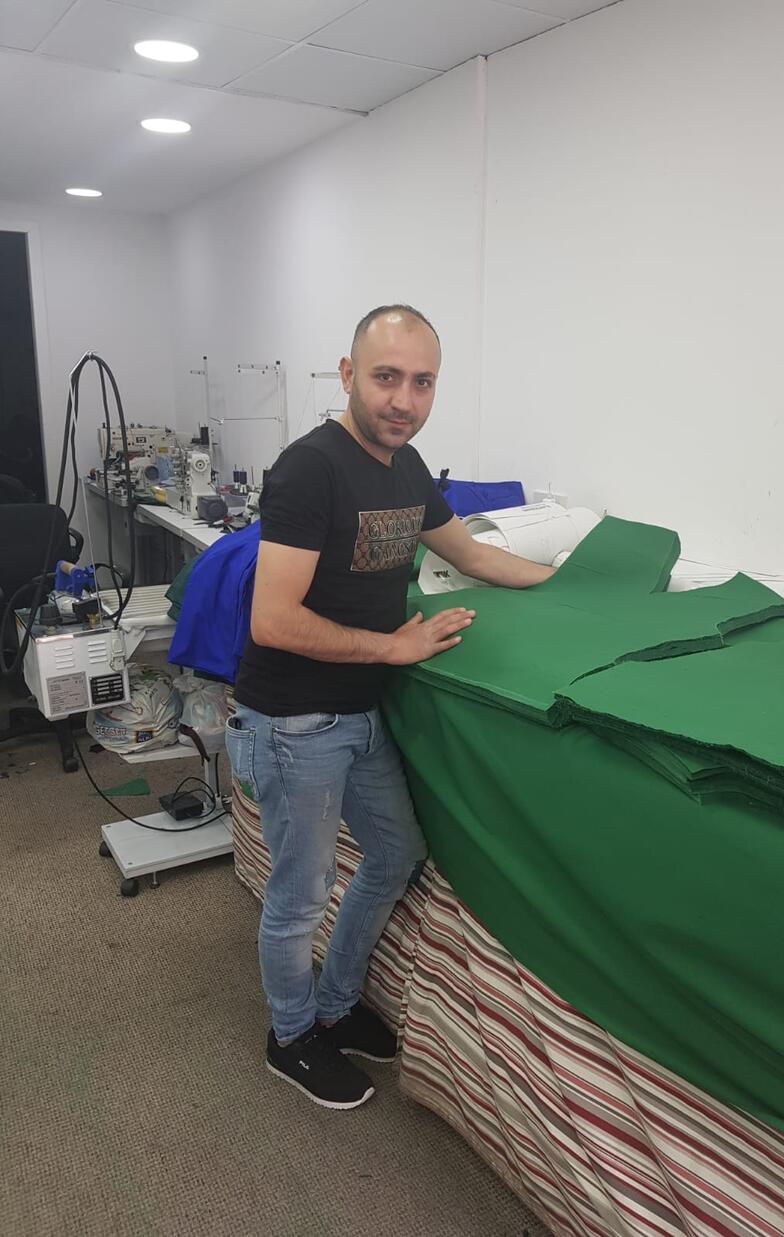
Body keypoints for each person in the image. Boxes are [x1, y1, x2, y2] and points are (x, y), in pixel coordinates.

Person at [228, 305, 555, 1110]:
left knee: (395, 852)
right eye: (386, 377)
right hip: (294, 721)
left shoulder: (407, 469)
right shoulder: (309, 469)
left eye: (422, 381)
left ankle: (335, 1006)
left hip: (357, 712)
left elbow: (473, 554)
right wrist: (392, 648)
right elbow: (273, 618)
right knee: (299, 895)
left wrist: (583, 591)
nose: (403, 398)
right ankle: (292, 1034)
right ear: (348, 375)